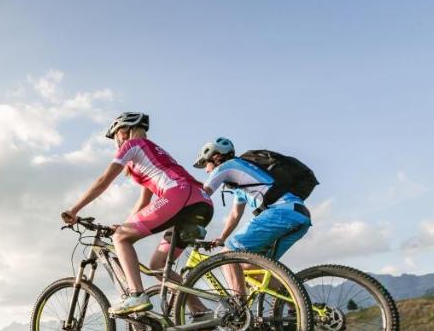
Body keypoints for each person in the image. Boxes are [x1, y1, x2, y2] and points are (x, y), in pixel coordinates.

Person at [62, 112, 213, 315]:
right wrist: (125, 224)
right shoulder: (152, 153)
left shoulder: (131, 146)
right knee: (158, 266)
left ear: (123, 132)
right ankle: (200, 311)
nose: (116, 140)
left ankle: (136, 295)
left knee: (120, 238)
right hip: (201, 202)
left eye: (116, 135)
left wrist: (74, 210)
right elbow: (144, 201)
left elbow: (103, 182)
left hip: (180, 195)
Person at [193, 137, 313, 293]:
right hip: (299, 215)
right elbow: (235, 214)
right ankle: (298, 308)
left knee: (229, 255)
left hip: (281, 212)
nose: (207, 171)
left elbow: (203, 194)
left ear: (216, 157)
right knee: (251, 268)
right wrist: (222, 238)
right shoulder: (242, 180)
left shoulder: (226, 167)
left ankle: (238, 310)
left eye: (206, 164)